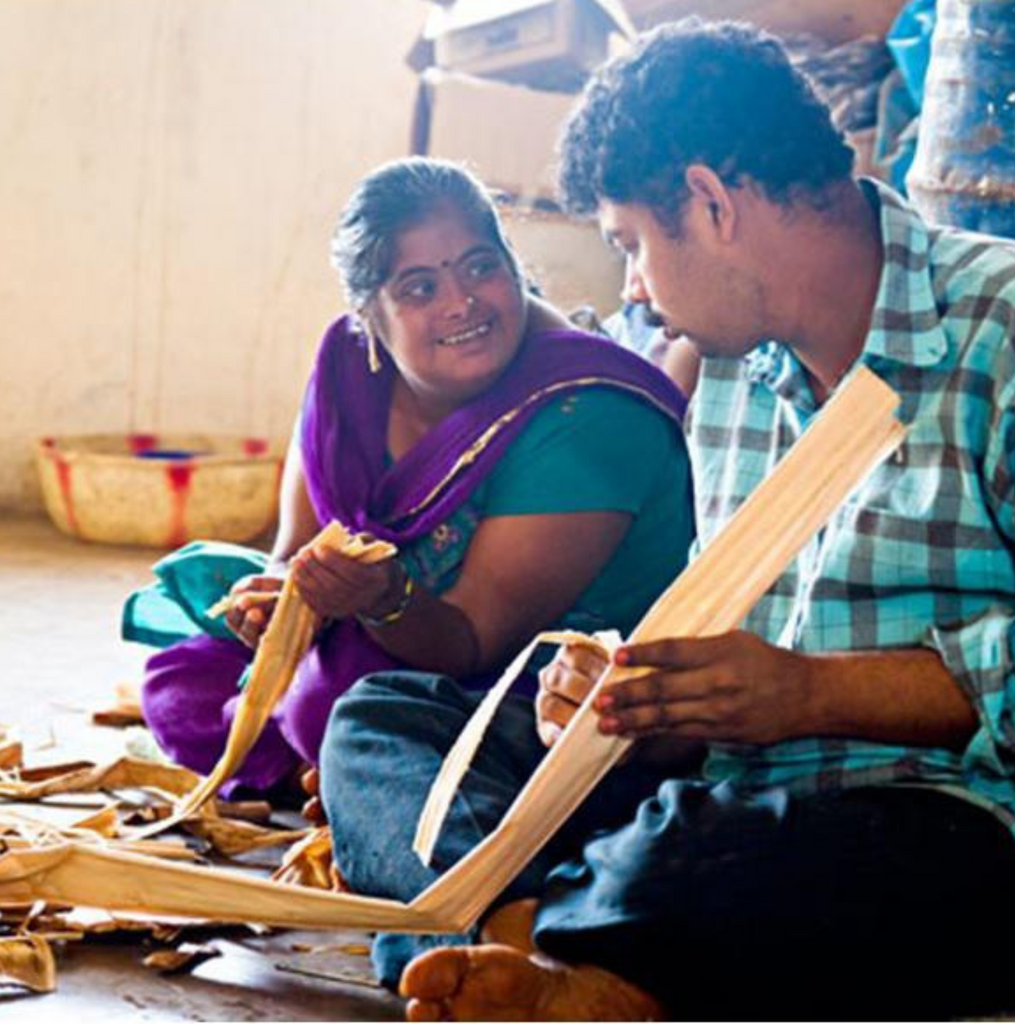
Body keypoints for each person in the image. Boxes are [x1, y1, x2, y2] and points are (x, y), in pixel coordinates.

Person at [322, 20, 1015, 1021]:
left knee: (713, 850)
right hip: (720, 798)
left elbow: (786, 701)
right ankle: (525, 948)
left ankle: (563, 954)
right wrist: (634, 704)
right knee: (388, 724)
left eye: (630, 246)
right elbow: (717, 684)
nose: (634, 287)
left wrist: (807, 695)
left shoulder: (994, 333)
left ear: (710, 204)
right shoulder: (734, 372)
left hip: (933, 815)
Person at [126, 157, 694, 801]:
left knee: (338, 701)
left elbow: (473, 637)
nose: (461, 304)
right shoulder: (349, 372)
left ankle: (340, 773)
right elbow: (295, 551)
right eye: (419, 288)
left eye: (481, 266)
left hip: (536, 677)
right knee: (182, 673)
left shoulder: (587, 409)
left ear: (513, 266)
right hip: (386, 634)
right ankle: (326, 772)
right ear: (370, 315)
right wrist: (281, 604)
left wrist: (380, 598)